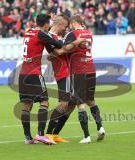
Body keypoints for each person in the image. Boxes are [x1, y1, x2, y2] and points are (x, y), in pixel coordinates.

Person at [51, 15, 106, 144]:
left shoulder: (72, 34)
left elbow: (63, 49)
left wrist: (53, 54)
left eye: (70, 24)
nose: (69, 26)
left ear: (74, 23)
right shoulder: (89, 33)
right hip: (91, 69)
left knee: (80, 104)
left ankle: (86, 136)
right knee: (91, 101)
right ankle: (100, 128)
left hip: (79, 71)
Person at [19, 14, 63, 145]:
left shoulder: (28, 32)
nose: (49, 25)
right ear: (45, 24)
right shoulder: (41, 34)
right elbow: (57, 44)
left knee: (27, 105)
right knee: (44, 102)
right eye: (48, 23)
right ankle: (41, 134)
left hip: (22, 74)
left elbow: (47, 47)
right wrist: (60, 40)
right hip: (34, 73)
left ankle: (28, 138)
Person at [45, 15, 75, 143]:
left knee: (72, 104)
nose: (65, 29)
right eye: (65, 26)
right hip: (63, 72)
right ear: (60, 25)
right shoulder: (49, 37)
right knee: (64, 103)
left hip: (70, 71)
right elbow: (57, 52)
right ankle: (48, 133)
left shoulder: (58, 38)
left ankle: (56, 134)